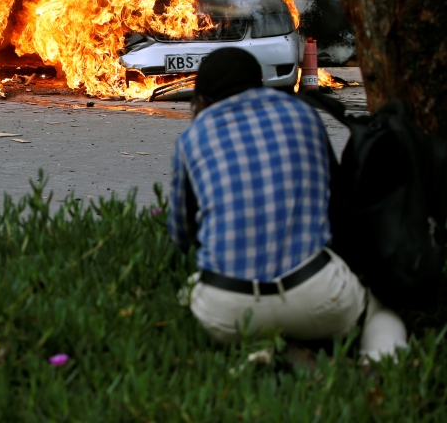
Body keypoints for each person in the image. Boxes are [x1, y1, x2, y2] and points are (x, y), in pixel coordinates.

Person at [168, 47, 407, 362]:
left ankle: (264, 352)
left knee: (191, 291)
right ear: (259, 86)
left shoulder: (191, 139)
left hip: (228, 310)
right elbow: (336, 203)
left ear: (200, 102)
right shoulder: (304, 113)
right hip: (316, 294)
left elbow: (183, 237)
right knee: (379, 310)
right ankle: (378, 366)